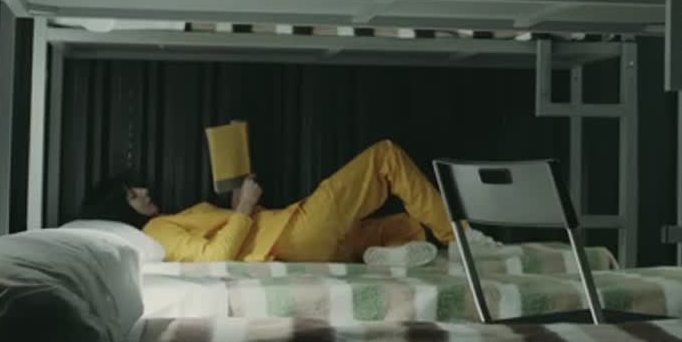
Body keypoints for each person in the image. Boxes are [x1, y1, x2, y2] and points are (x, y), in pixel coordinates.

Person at [79, 139, 495, 267]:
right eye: (132, 195)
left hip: (304, 243)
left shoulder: (167, 222)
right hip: (292, 236)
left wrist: (238, 202)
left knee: (407, 224)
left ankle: (378, 255)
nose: (143, 192)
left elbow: (226, 236)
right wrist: (244, 207)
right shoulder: (156, 232)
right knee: (385, 157)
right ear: (122, 210)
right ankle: (458, 238)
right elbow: (215, 257)